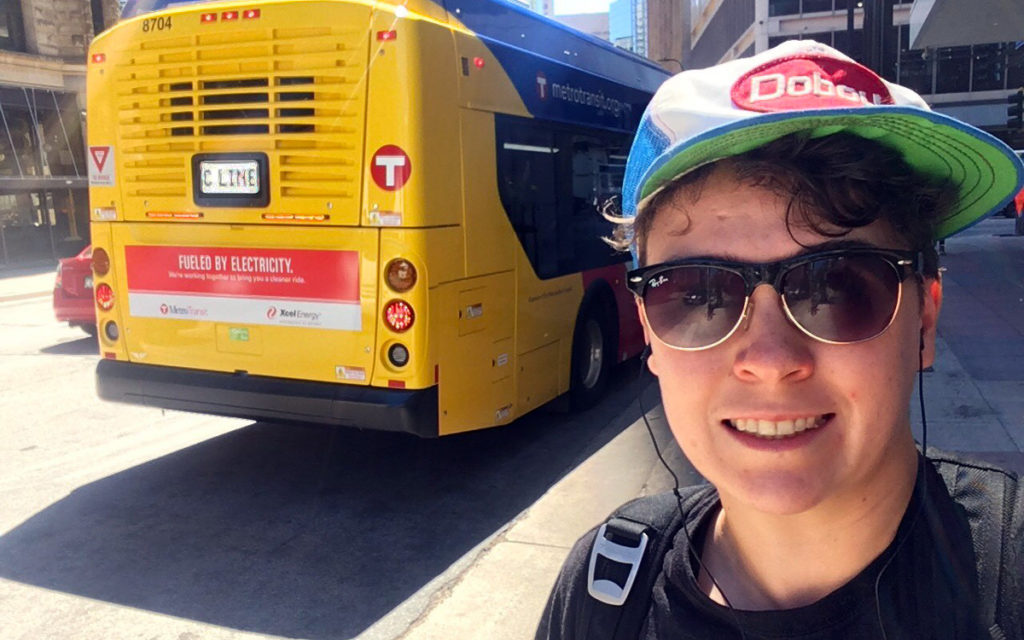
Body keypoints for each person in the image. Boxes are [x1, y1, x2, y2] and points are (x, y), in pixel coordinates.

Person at [536, 40, 1024, 639]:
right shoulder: (604, 591)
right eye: (697, 294)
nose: (769, 361)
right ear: (649, 335)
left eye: (838, 287)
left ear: (924, 320)